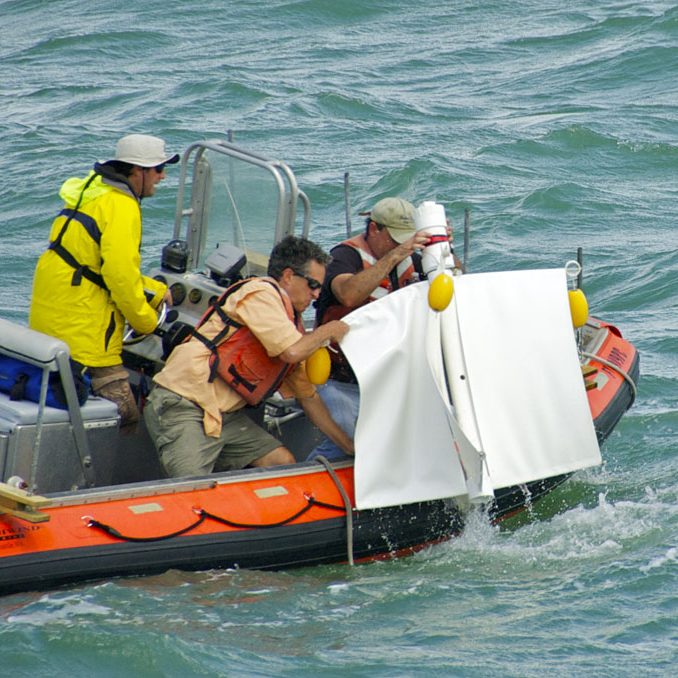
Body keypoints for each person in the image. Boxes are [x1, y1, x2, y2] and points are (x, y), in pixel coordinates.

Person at [143, 235, 354, 477]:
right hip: (186, 405)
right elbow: (292, 352)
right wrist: (328, 330)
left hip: (224, 417)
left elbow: (309, 397)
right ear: (287, 276)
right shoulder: (260, 293)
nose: (316, 295)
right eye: (313, 285)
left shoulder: (288, 328)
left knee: (281, 462)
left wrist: (348, 446)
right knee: (191, 487)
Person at [29, 134, 178, 427]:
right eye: (158, 169)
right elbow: (120, 279)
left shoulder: (92, 195)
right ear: (138, 171)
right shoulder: (123, 208)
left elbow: (97, 266)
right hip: (84, 336)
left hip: (50, 324)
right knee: (128, 415)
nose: (163, 176)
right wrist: (148, 322)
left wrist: (157, 290)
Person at [307, 197, 434, 461]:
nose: (402, 246)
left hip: (384, 377)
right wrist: (395, 255)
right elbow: (348, 294)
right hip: (337, 379)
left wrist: (443, 253)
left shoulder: (412, 261)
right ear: (374, 228)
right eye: (395, 239)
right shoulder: (344, 256)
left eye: (406, 240)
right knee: (347, 441)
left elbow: (450, 287)